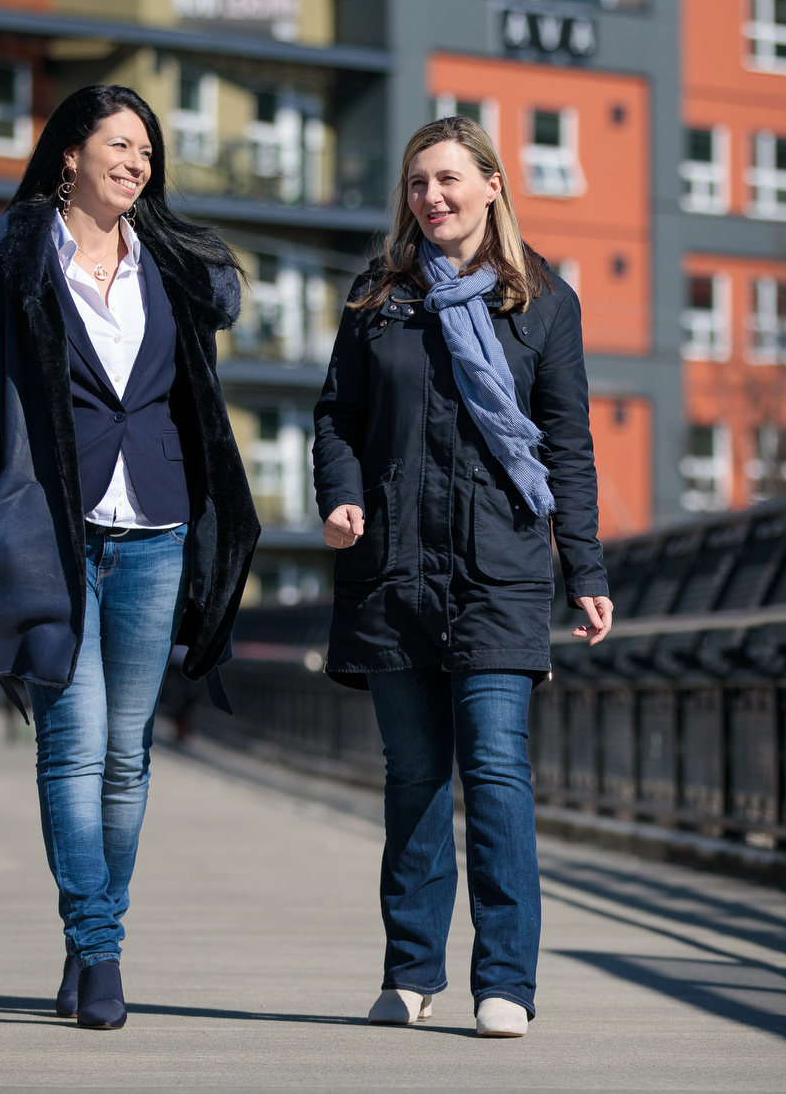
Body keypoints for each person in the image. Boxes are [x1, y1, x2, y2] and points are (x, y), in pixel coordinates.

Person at [0, 85, 260, 1029]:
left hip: (156, 529)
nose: (137, 162)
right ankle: (103, 947)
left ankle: (85, 938)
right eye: (119, 144)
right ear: (67, 154)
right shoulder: (4, 264)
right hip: (48, 532)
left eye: (147, 151)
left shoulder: (175, 269)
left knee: (127, 756)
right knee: (72, 747)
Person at [313, 117, 614, 1039]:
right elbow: (337, 416)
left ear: (491, 184)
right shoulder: (379, 297)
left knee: (494, 772)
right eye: (416, 185)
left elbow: (566, 443)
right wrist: (342, 494)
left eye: (447, 180)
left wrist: (587, 569)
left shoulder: (544, 303)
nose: (431, 198)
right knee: (414, 778)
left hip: (500, 569)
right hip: (394, 568)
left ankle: (507, 982)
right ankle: (410, 972)